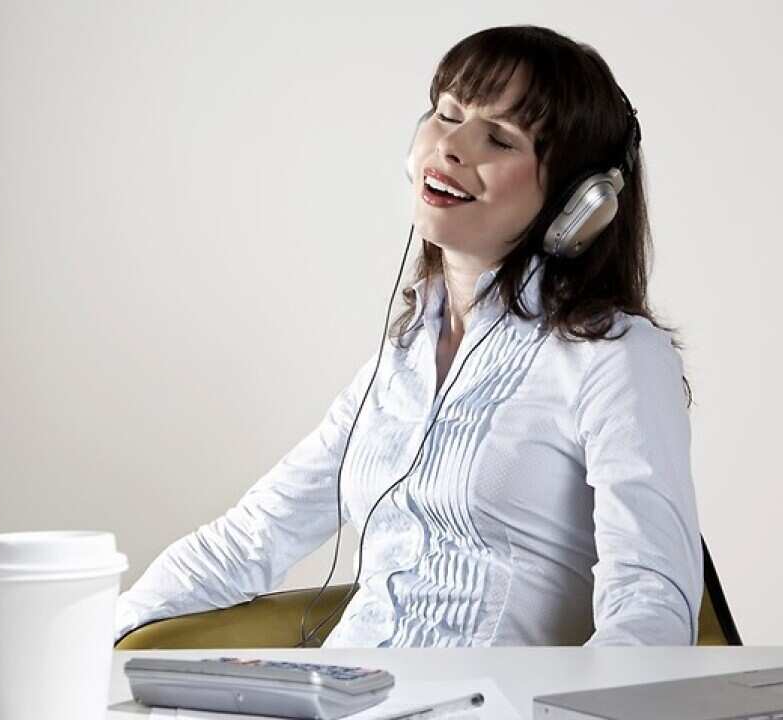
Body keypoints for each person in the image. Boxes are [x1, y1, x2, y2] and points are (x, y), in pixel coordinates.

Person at [114, 25, 702, 648]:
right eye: (446, 115)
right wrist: (93, 642)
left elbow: (650, 608)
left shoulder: (614, 357)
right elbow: (249, 538)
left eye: (498, 138)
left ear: (576, 205)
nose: (449, 147)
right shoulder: (400, 364)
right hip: (343, 696)